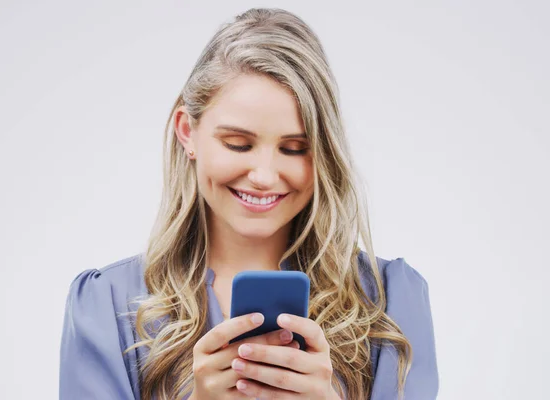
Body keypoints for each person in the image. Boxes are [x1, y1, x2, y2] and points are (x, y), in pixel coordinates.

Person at [59, 7, 438, 400]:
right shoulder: (108, 306)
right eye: (238, 144)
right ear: (188, 132)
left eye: (294, 149)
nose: (264, 175)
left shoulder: (390, 302)